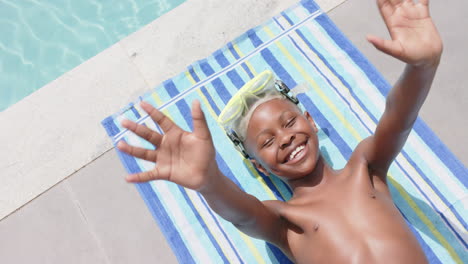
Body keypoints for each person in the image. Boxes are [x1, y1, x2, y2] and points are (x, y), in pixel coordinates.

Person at [117, 0, 442, 263]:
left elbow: (399, 118)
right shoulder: (285, 219)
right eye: (268, 141)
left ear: (310, 121)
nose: (286, 138)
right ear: (259, 165)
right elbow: (241, 214)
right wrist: (209, 181)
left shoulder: (365, 167)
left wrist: (422, 67)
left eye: (289, 123)